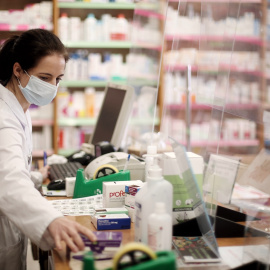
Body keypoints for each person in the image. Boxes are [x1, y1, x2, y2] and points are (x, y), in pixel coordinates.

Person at [0, 29, 96, 270]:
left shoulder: (19, 106)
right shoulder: (3, 117)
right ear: (18, 70)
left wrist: (35, 176)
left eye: (58, 78)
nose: (52, 87)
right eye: (44, 78)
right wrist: (51, 220)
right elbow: (8, 179)